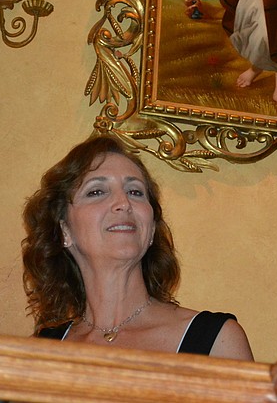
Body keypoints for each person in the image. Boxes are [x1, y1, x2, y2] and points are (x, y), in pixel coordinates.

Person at [22, 135, 254, 360]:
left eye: (135, 192)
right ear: (64, 231)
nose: (124, 204)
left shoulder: (216, 342)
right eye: (96, 192)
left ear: (151, 229)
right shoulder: (38, 353)